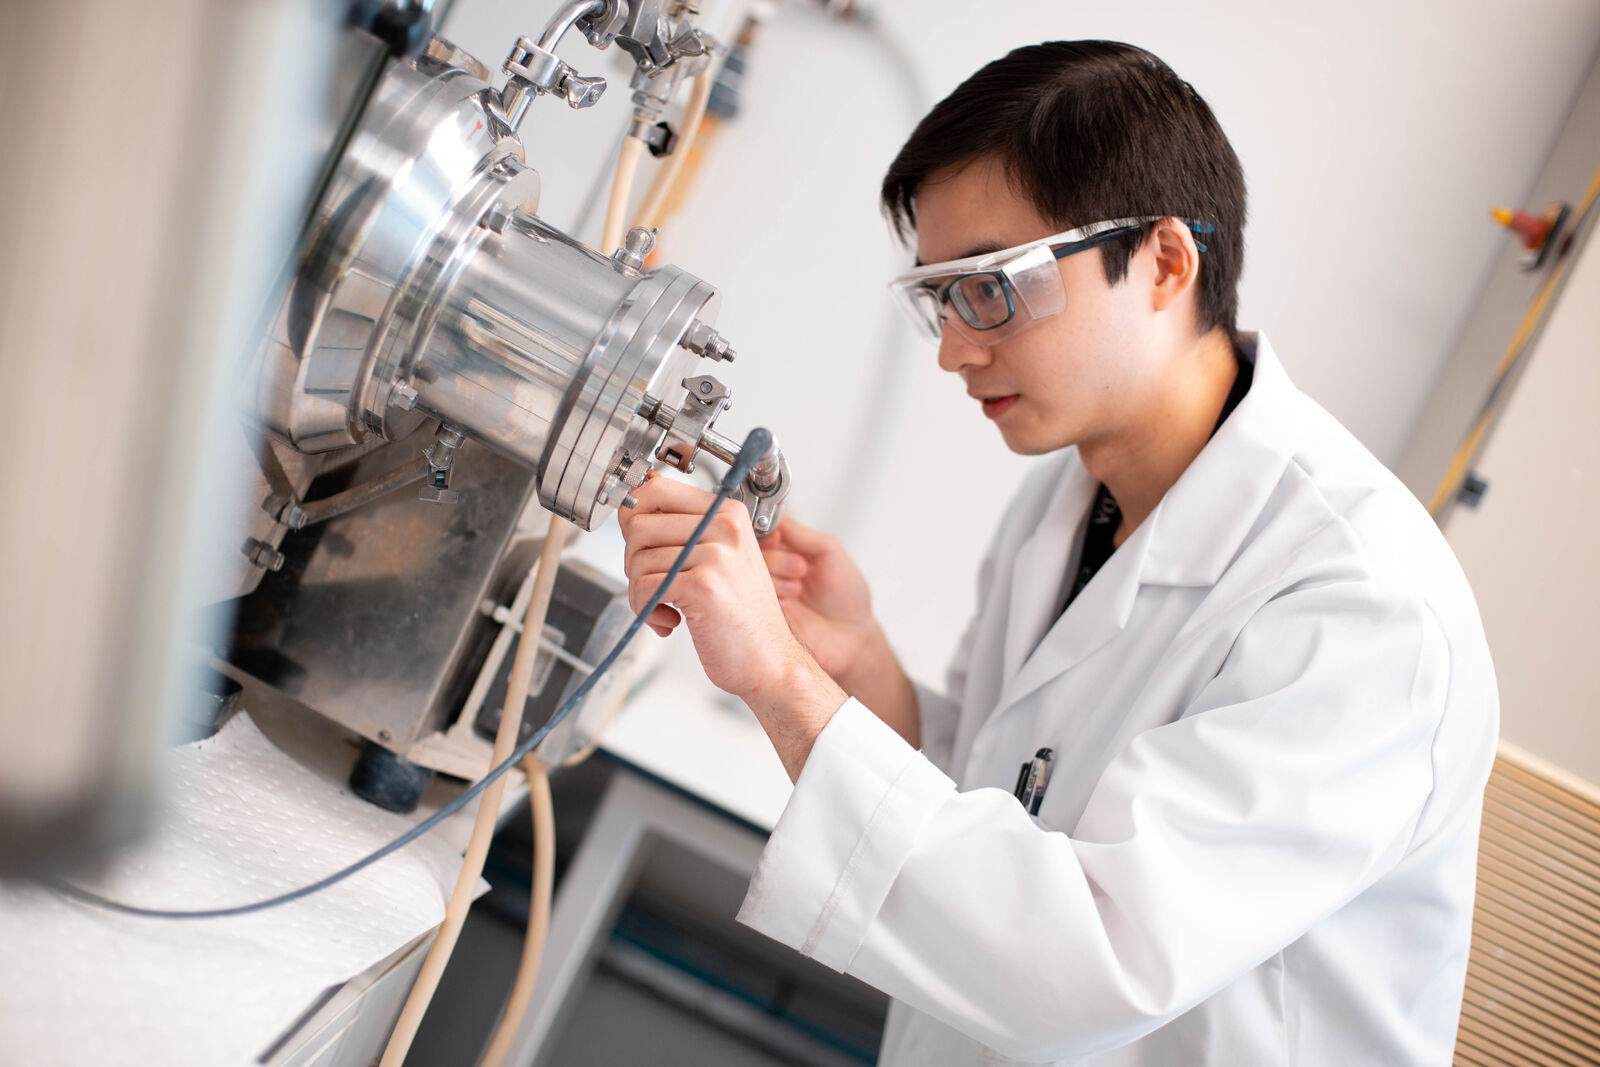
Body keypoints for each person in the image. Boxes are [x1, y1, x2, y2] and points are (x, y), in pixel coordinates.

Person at [617, 40, 1497, 1065]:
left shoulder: (1361, 606)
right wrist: (854, 661)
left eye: (990, 288)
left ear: (1166, 261)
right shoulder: (1071, 495)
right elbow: (1007, 808)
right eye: (940, 298)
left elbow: (1094, 958)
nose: (953, 348)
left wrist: (774, 678)